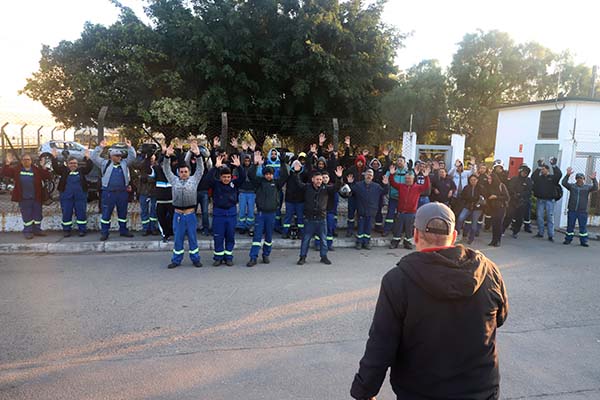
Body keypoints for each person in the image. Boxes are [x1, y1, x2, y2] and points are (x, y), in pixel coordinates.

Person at [351, 202, 508, 400]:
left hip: (421, 392)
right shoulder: (488, 271)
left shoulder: (398, 280)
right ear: (453, 236)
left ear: (415, 235)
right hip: (482, 391)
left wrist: (365, 391)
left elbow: (381, 343)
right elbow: (501, 318)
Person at [162, 143, 205, 269]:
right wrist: (166, 156)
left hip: (190, 215)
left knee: (193, 238)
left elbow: (200, 169)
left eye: (186, 171)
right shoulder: (173, 180)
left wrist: (198, 155)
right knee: (178, 239)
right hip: (178, 215)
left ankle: (196, 259)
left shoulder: (194, 180)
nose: (184, 173)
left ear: (189, 172)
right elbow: (166, 169)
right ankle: (176, 260)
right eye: (181, 172)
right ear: (178, 173)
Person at [246, 152, 289, 267]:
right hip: (261, 214)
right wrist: (255, 164)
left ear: (273, 175)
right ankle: (253, 257)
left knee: (269, 236)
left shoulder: (276, 184)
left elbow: (285, 176)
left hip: (272, 214)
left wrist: (283, 163)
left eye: (270, 174)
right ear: (264, 175)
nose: (269, 176)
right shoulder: (259, 183)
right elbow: (250, 175)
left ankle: (266, 255)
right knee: (257, 237)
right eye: (267, 174)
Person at [296, 165, 344, 265]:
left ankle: (324, 256)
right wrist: (296, 173)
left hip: (321, 219)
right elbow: (299, 184)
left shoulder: (325, 188)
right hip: (309, 219)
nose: (319, 181)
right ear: (313, 179)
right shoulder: (307, 187)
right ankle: (302, 257)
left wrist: (339, 178)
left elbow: (336, 187)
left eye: (321, 179)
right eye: (317, 179)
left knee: (323, 239)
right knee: (306, 239)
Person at [90, 139, 136, 241]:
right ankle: (104, 233)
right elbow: (93, 157)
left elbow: (132, 157)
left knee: (122, 213)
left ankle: (123, 230)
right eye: (117, 156)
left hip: (122, 192)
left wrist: (129, 147)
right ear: (111, 156)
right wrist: (100, 147)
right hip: (108, 193)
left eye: (120, 156)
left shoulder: (124, 163)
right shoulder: (104, 163)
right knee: (106, 213)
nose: (119, 157)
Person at [1, 152, 52, 239]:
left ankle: (37, 230)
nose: (26, 161)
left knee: (37, 215)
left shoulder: (36, 170)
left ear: (31, 161)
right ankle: (27, 231)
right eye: (24, 160)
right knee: (27, 216)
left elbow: (47, 176)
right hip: (24, 199)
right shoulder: (17, 170)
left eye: (28, 159)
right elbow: (5, 172)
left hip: (36, 198)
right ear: (21, 161)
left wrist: (43, 167)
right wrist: (7, 163)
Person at [208, 154, 244, 266]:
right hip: (219, 214)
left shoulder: (234, 184)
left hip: (231, 214)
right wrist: (215, 167)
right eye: (224, 177)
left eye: (228, 177)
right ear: (220, 177)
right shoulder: (216, 184)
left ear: (231, 177)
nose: (226, 179)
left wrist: (239, 167)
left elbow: (243, 177)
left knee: (230, 237)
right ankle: (218, 257)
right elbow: (207, 179)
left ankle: (228, 257)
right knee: (218, 237)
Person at [51, 148, 94, 237]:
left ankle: (82, 229)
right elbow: (55, 168)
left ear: (77, 164)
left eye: (75, 163)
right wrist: (54, 157)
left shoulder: (81, 171)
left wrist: (87, 158)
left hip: (80, 196)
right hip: (66, 196)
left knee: (81, 212)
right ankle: (66, 230)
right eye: (71, 163)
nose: (73, 165)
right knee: (66, 212)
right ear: (67, 164)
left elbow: (89, 167)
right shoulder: (63, 171)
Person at [388, 164, 430, 250]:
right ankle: (395, 242)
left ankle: (407, 242)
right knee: (397, 229)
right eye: (406, 178)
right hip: (401, 212)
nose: (408, 180)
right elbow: (392, 183)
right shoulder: (401, 186)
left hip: (411, 213)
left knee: (409, 229)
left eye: (409, 178)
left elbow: (426, 186)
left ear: (413, 179)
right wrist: (392, 175)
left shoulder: (417, 188)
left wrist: (426, 177)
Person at [347, 169, 389, 250]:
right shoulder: (358, 185)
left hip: (371, 211)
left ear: (373, 177)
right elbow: (351, 191)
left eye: (371, 175)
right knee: (360, 228)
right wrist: (350, 183)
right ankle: (359, 242)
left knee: (368, 228)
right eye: (367, 174)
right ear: (364, 175)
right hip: (361, 211)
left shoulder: (377, 186)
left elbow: (384, 192)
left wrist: (385, 184)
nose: (369, 176)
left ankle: (366, 242)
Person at [562, 168, 598, 247]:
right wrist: (567, 175)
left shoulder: (587, 187)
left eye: (581, 178)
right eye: (578, 178)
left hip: (582, 211)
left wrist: (594, 179)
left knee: (583, 227)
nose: (579, 180)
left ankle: (583, 241)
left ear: (584, 179)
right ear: (576, 179)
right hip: (572, 210)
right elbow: (564, 183)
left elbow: (595, 187)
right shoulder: (572, 186)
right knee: (570, 226)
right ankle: (568, 239)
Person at [532, 162, 562, 242]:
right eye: (541, 169)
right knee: (540, 217)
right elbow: (533, 177)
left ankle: (551, 235)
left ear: (548, 170)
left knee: (550, 218)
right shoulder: (539, 178)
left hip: (549, 200)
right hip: (540, 200)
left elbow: (559, 174)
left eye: (543, 169)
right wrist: (538, 167)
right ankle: (540, 233)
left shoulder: (552, 178)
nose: (542, 171)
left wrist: (554, 165)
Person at [132, 150, 159, 237]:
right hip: (144, 192)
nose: (151, 159)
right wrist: (143, 156)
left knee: (153, 212)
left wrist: (148, 179)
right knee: (144, 211)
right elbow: (134, 164)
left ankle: (153, 228)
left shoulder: (157, 167)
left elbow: (158, 178)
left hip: (154, 193)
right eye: (150, 157)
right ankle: (146, 228)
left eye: (153, 157)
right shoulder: (142, 166)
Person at [505, 163, 533, 239]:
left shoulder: (529, 181)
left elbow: (529, 191)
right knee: (509, 216)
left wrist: (521, 195)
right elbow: (510, 188)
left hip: (522, 202)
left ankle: (515, 231)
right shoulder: (514, 179)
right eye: (523, 172)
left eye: (526, 173)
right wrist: (515, 194)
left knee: (519, 218)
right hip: (513, 201)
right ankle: (502, 229)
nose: (524, 174)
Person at [456, 174, 486, 244]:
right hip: (468, 206)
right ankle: (458, 233)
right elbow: (462, 196)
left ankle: (471, 238)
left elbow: (483, 198)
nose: (473, 181)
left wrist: (479, 202)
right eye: (471, 180)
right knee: (460, 218)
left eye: (474, 180)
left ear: (477, 180)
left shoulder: (481, 188)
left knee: (474, 223)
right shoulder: (466, 187)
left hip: (477, 208)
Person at [383, 156, 408, 236]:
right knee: (390, 214)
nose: (399, 162)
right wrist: (389, 174)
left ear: (404, 162)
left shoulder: (407, 172)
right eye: (398, 160)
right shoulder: (392, 170)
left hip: (403, 198)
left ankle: (399, 230)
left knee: (401, 215)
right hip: (393, 197)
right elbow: (385, 179)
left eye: (401, 161)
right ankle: (386, 230)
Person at [282, 159, 307, 239]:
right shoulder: (289, 174)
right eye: (294, 165)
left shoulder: (304, 174)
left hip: (300, 200)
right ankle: (285, 232)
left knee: (300, 218)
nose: (296, 167)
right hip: (290, 200)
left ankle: (301, 233)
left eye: (298, 165)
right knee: (288, 217)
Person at [484, 174, 510, 247]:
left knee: (498, 225)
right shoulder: (489, 186)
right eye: (488, 179)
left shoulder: (501, 186)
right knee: (494, 225)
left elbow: (507, 197)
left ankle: (498, 240)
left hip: (500, 208)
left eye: (490, 179)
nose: (488, 180)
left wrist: (496, 197)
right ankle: (493, 240)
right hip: (492, 208)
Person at [236, 153, 257, 235]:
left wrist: (252, 151)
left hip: (251, 192)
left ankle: (249, 226)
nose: (247, 162)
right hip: (242, 191)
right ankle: (241, 226)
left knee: (251, 211)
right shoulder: (240, 168)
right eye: (245, 160)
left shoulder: (253, 168)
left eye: (248, 160)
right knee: (241, 210)